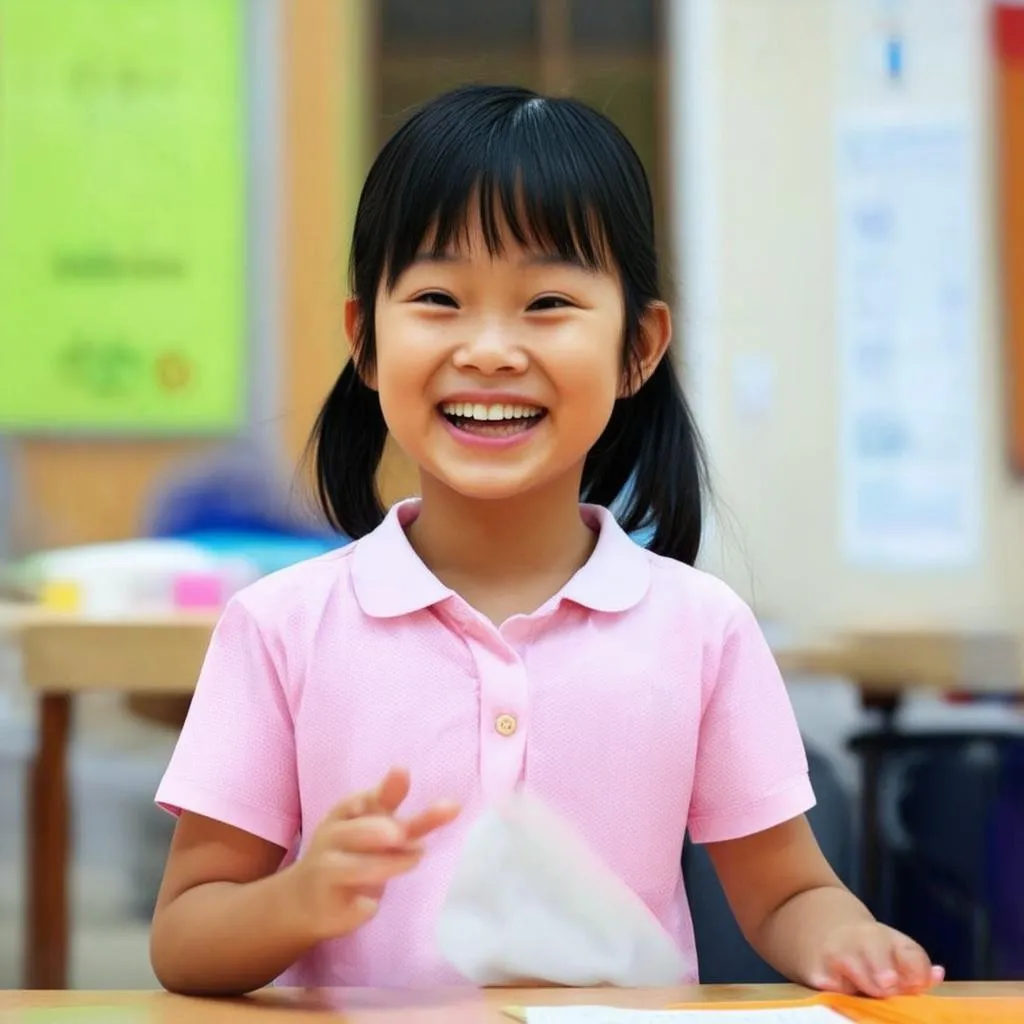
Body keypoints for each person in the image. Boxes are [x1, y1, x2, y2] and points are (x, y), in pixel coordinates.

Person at [149, 84, 941, 998]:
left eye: (548, 302)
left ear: (638, 348)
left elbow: (787, 894)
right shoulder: (280, 627)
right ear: (364, 340)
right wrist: (299, 901)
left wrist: (848, 941)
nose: (490, 349)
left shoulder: (701, 627)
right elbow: (185, 935)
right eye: (440, 297)